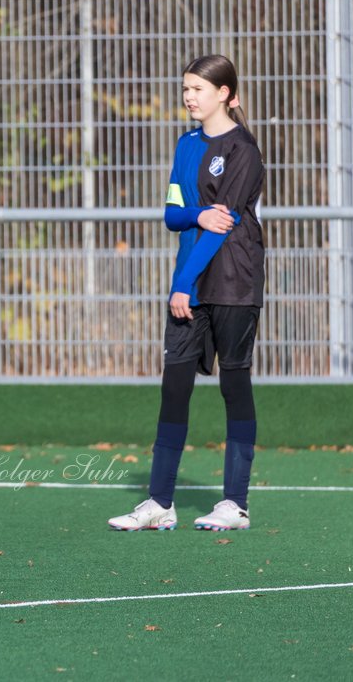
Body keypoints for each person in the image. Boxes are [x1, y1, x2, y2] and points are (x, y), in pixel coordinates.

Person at [109, 55, 265, 532]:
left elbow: (223, 226)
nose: (189, 96)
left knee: (233, 384)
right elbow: (174, 214)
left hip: (233, 280)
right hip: (189, 283)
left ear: (226, 94)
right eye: (185, 88)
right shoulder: (186, 144)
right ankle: (159, 502)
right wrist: (196, 216)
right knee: (174, 386)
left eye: (198, 88)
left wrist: (182, 283)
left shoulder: (243, 150)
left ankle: (234, 504)